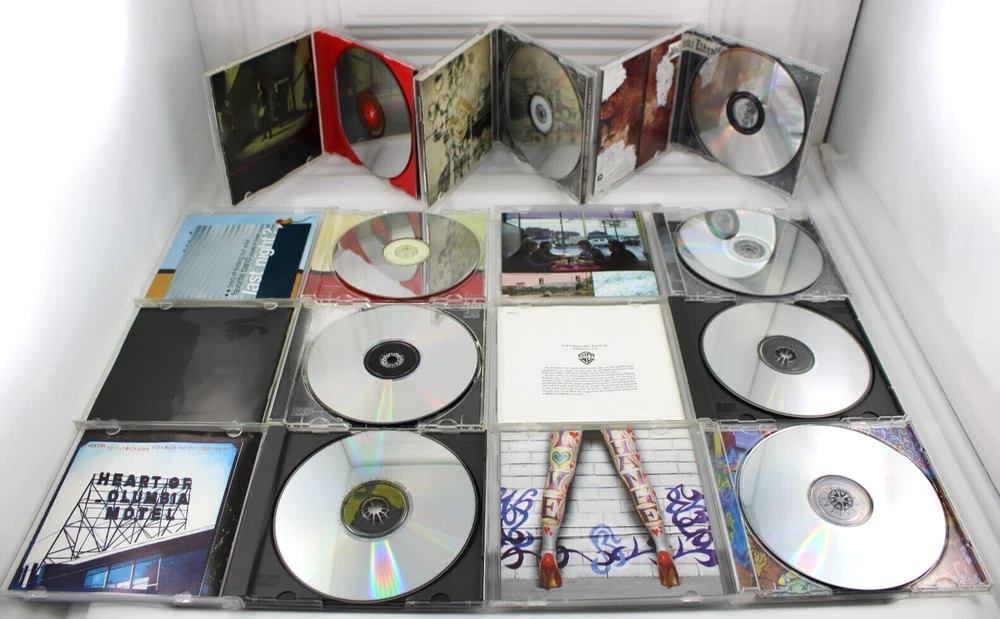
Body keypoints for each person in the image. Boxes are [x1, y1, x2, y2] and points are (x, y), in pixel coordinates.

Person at [539, 429, 679, 590]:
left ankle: (548, 552)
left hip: (567, 414)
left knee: (557, 478)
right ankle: (663, 550)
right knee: (635, 475)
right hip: (614, 413)